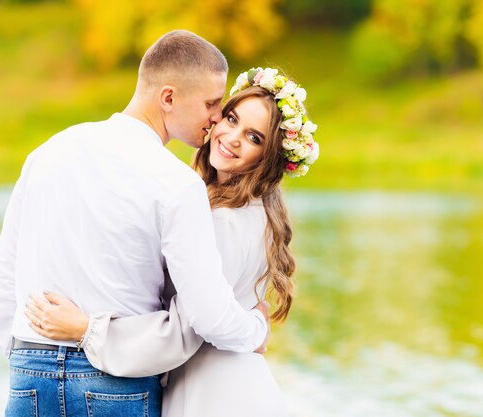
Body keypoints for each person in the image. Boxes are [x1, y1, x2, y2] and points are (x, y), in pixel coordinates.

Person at [0, 31, 271, 417]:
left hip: (28, 369)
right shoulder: (177, 183)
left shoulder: (48, 151)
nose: (217, 116)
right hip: (114, 383)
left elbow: (5, 273)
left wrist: (20, 353)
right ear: (168, 98)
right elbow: (207, 315)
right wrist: (257, 327)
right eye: (211, 103)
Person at [25, 67, 320, 416]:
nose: (233, 137)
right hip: (232, 381)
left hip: (213, 390)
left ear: (268, 158)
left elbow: (193, 326)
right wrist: (253, 328)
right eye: (231, 118)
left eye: (255, 138)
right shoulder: (255, 212)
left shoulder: (222, 220)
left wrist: (87, 329)